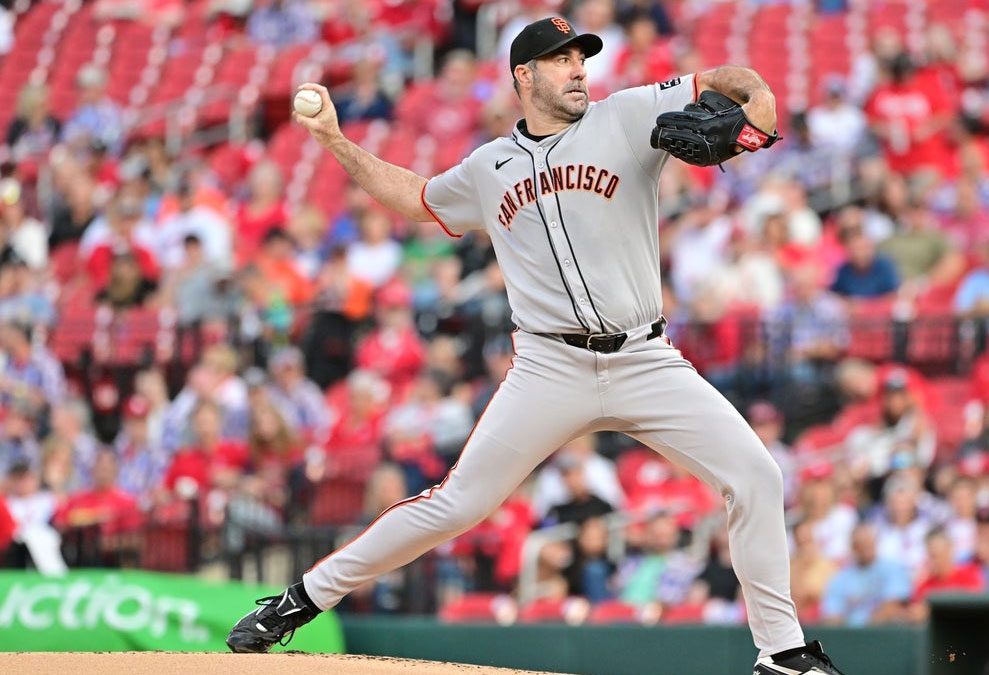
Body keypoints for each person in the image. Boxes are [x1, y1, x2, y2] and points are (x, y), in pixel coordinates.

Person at [226, 17, 845, 675]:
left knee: (756, 474)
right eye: (560, 59)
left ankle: (781, 654)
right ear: (524, 75)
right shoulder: (489, 167)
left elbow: (730, 82)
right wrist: (335, 140)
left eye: (581, 57)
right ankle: (299, 599)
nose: (577, 68)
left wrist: (758, 108)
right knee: (455, 504)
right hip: (550, 366)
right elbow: (414, 199)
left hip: (644, 357)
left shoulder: (630, 113)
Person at [821, 523, 912, 626]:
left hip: (884, 632)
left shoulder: (893, 568)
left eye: (869, 543)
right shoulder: (840, 578)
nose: (866, 549)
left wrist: (866, 629)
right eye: (861, 545)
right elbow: (832, 615)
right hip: (850, 635)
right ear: (853, 547)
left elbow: (893, 606)